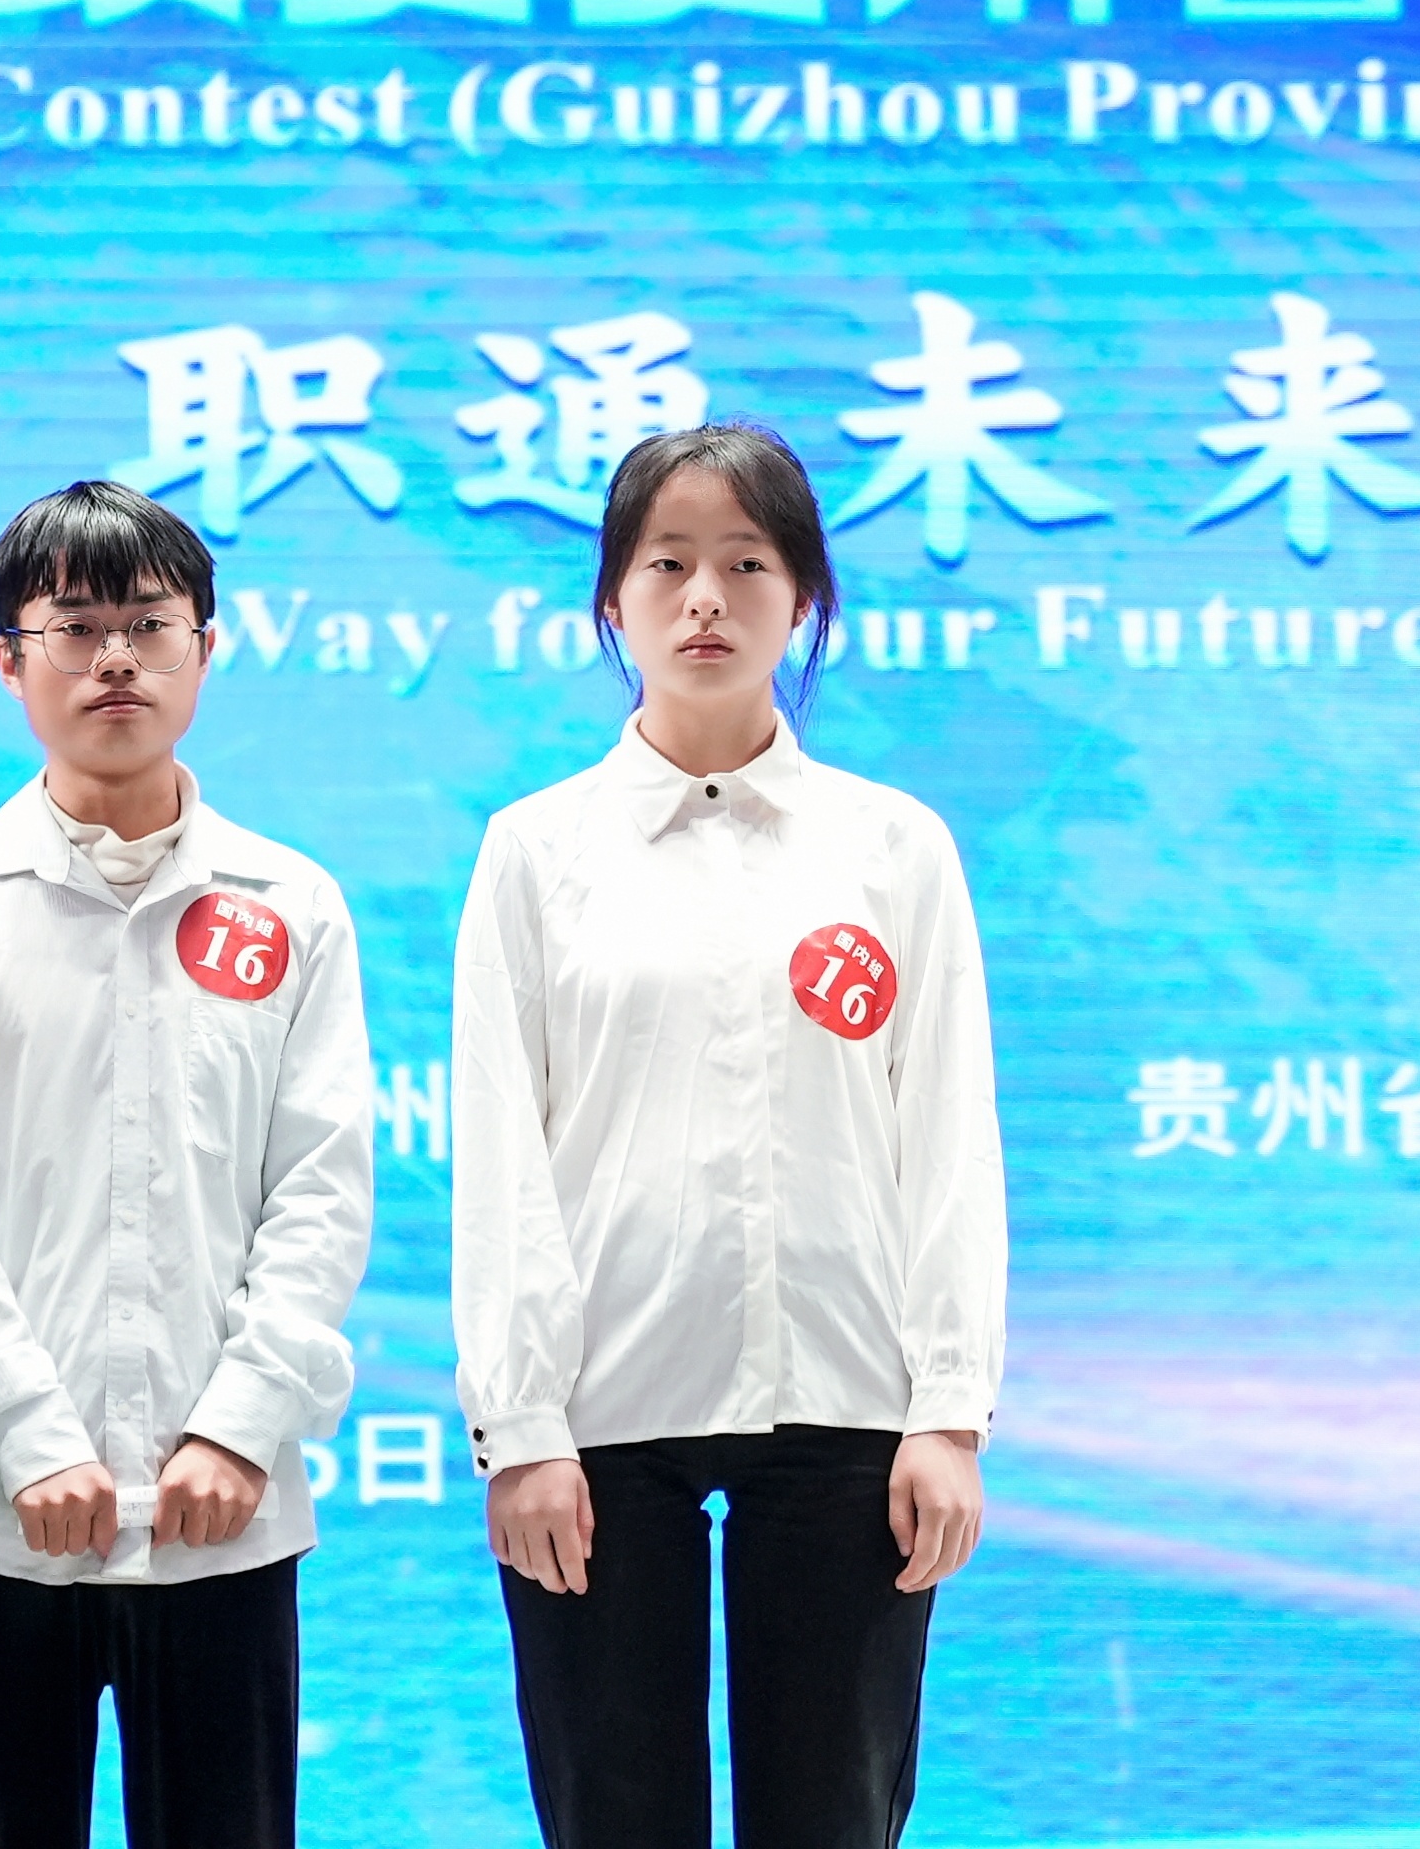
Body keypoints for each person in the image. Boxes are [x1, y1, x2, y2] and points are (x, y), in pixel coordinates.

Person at [448, 424, 1006, 1849]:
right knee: (613, 1814)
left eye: (747, 564)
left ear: (803, 597)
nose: (705, 598)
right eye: (668, 564)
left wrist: (948, 1413)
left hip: (848, 1396)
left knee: (833, 1814)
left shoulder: (893, 847)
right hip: (598, 1413)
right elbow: (502, 1154)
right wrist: (520, 1427)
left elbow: (947, 1137)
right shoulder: (536, 850)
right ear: (613, 601)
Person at [0, 480, 374, 1849]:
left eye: (150, 624)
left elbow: (321, 1189)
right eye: (74, 628)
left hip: (223, 1517)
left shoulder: (292, 904)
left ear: (209, 645)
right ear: (7, 659)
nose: (117, 659)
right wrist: (29, 1434)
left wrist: (239, 1424)